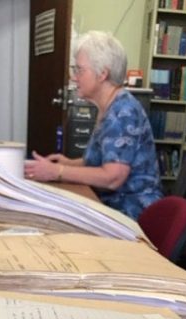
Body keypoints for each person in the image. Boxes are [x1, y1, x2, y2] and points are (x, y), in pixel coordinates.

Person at [24, 30, 162, 221]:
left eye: (80, 70)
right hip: (111, 206)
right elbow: (104, 161)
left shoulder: (124, 111)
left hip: (130, 213)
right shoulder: (109, 107)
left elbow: (113, 177)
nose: (74, 77)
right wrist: (69, 163)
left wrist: (58, 172)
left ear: (102, 73)